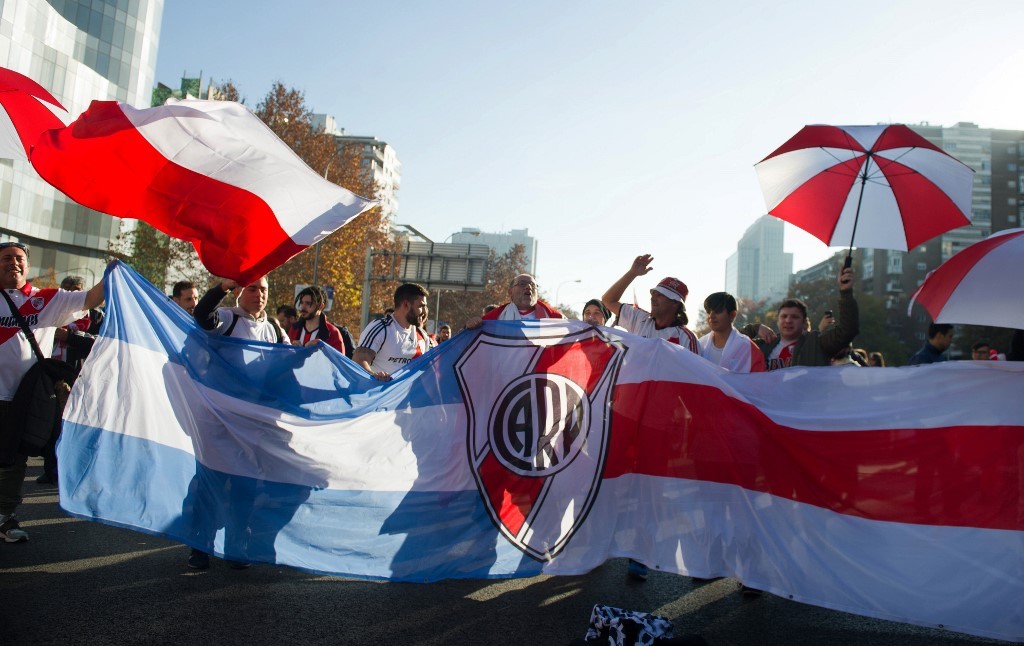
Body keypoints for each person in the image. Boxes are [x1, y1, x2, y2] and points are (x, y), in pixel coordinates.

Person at [0, 242, 105, 543]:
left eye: (19, 259)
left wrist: (112, 274)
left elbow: (91, 297)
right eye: (6, 258)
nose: (13, 263)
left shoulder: (46, 300)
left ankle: (5, 517)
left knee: (14, 460)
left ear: (27, 266)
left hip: (24, 399)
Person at [38, 275, 104, 485]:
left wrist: (69, 337)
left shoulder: (96, 317)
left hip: (83, 377)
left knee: (80, 427)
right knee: (54, 425)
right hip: (54, 376)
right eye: (67, 288)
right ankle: (52, 470)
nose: (72, 292)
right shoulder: (53, 310)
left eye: (76, 289)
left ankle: (79, 471)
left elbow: (101, 344)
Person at [744, 265, 859, 370]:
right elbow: (729, 343)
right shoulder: (764, 345)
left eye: (794, 317)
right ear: (777, 321)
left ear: (804, 322)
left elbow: (848, 330)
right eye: (784, 316)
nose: (788, 320)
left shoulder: (817, 343)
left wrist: (846, 292)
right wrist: (754, 328)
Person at [601, 254, 698, 353]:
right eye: (653, 294)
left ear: (675, 303)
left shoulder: (687, 338)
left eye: (660, 295)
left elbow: (695, 368)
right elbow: (608, 300)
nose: (653, 298)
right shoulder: (639, 319)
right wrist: (632, 273)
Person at [355, 283, 431, 381]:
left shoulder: (422, 336)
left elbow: (428, 370)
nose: (425, 311)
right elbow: (359, 360)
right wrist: (374, 376)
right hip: (377, 394)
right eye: (421, 306)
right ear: (406, 304)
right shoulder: (381, 328)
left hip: (405, 396)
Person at [194, 277, 287, 343]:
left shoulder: (275, 330)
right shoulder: (227, 319)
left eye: (263, 290)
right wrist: (223, 287)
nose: (259, 294)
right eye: (252, 289)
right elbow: (201, 313)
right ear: (237, 292)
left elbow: (289, 361)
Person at [697, 292, 765, 373]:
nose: (711, 316)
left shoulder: (748, 348)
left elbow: (760, 381)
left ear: (732, 315)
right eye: (708, 311)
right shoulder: (699, 345)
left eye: (718, 311)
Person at [466, 274, 564, 328]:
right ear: (510, 291)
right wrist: (470, 326)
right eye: (522, 284)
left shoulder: (554, 318)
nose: (528, 287)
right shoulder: (497, 316)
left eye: (533, 285)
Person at [289, 285, 349, 356]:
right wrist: (291, 350)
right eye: (302, 303)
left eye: (308, 303)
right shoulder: (294, 329)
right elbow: (284, 359)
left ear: (321, 306)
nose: (303, 307)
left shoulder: (332, 332)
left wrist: (323, 349)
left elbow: (339, 363)